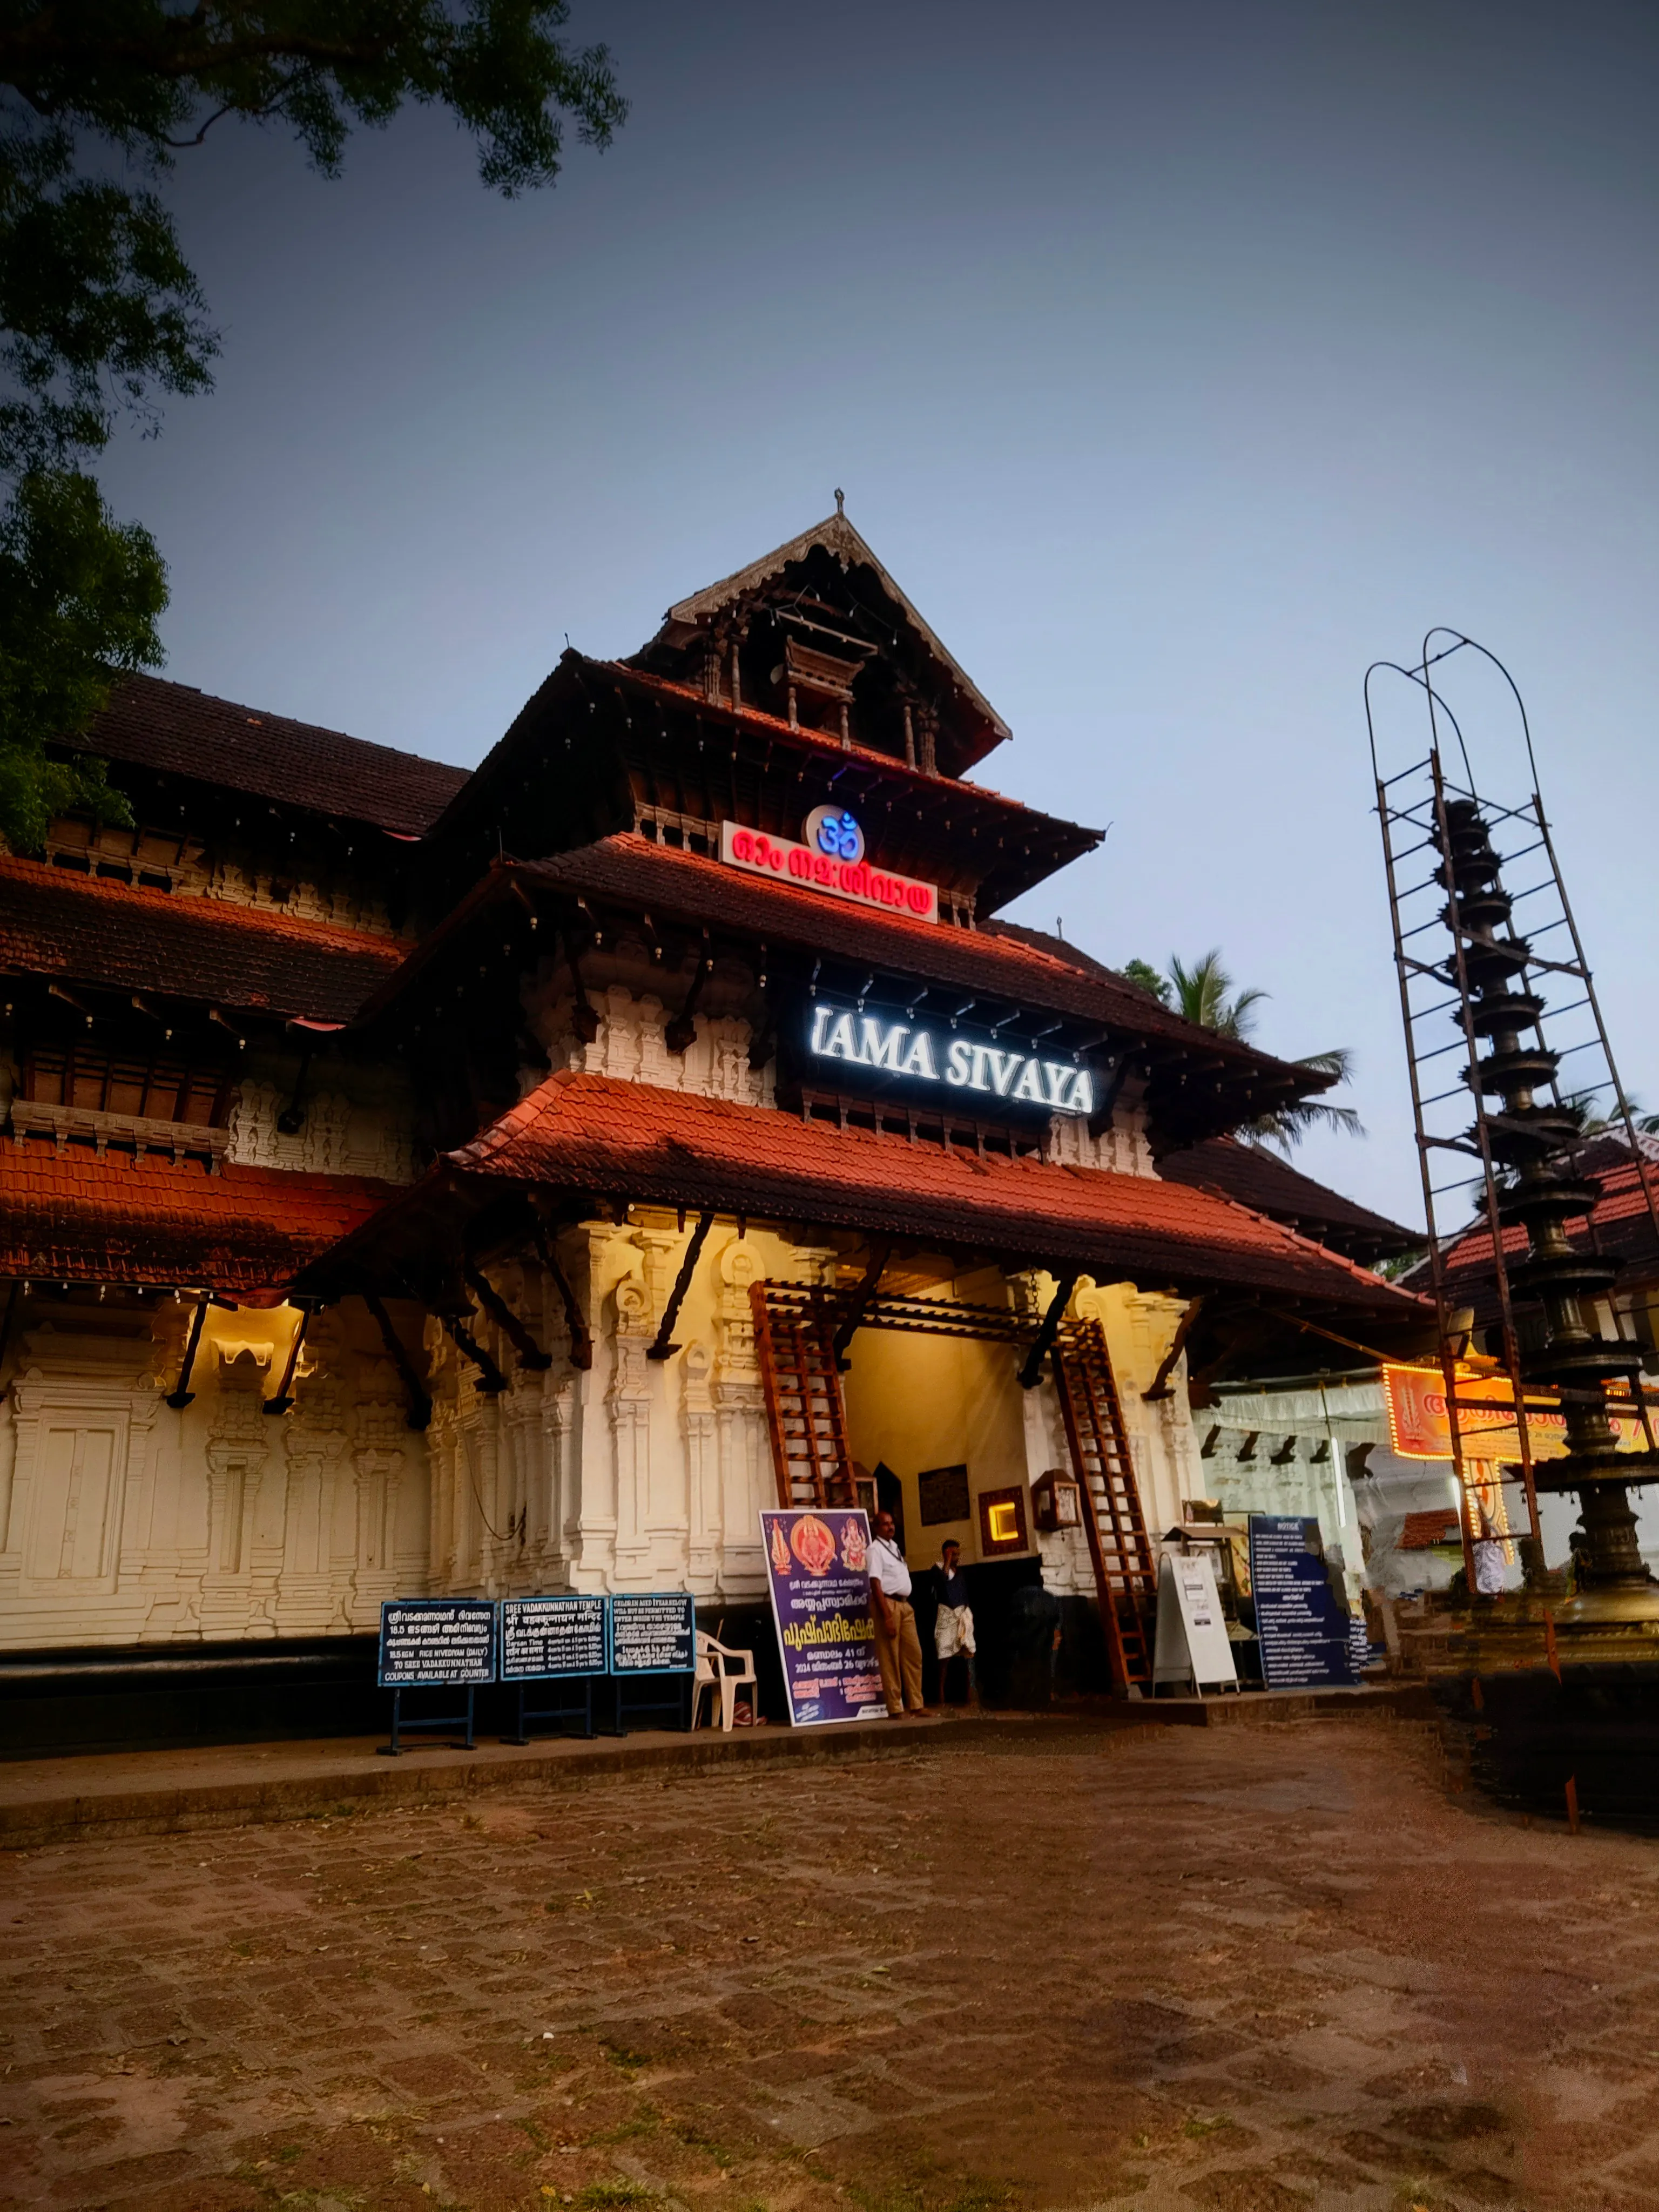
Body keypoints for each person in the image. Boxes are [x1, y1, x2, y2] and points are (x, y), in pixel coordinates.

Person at [867, 1509, 925, 1716]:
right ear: (876, 1528)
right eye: (885, 1524)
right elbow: (875, 1582)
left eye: (892, 1523)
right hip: (888, 1604)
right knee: (890, 1657)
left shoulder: (894, 1547)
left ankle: (917, 1705)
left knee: (914, 1654)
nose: (890, 1527)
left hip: (904, 1605)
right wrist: (887, 1616)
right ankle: (895, 1708)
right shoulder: (875, 1550)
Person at [930, 1539, 977, 1707]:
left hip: (962, 1615)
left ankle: (970, 1697)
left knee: (968, 1655)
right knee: (945, 1657)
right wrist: (947, 1561)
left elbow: (964, 1593)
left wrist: (967, 1615)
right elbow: (942, 1583)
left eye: (958, 1554)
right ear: (946, 1553)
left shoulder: (960, 1573)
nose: (957, 1557)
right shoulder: (937, 1569)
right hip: (947, 1615)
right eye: (953, 1554)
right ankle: (941, 1697)